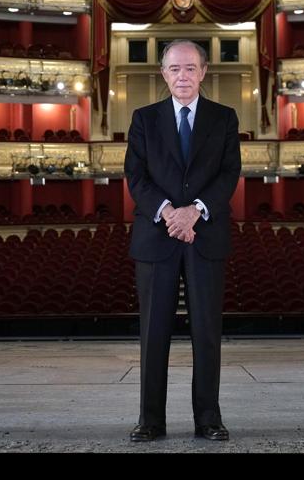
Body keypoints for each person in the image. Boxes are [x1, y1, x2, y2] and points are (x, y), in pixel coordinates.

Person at [123, 39, 241, 442]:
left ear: (204, 72)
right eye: (175, 69)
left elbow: (228, 175)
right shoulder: (143, 118)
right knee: (153, 334)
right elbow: (136, 177)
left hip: (205, 235)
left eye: (190, 68)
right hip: (157, 236)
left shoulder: (224, 118)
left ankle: (208, 419)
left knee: (206, 333)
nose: (183, 76)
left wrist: (195, 211)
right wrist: (170, 213)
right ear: (163, 74)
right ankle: (150, 421)